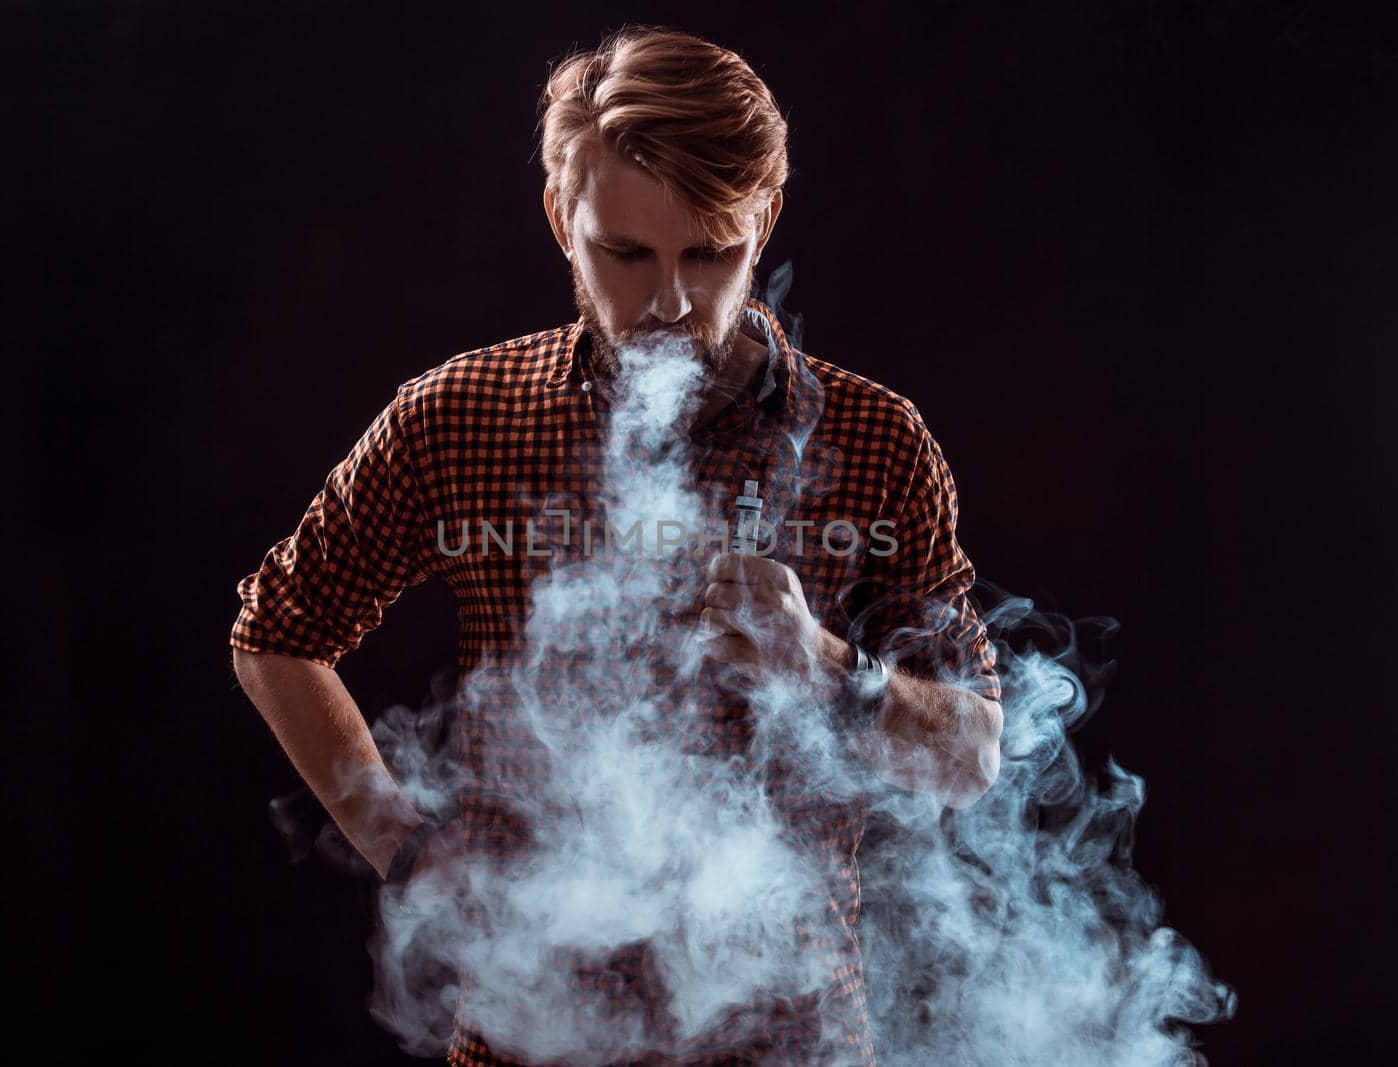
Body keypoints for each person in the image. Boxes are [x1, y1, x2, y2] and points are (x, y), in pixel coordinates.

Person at [230, 25, 1003, 1067]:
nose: (672, 301)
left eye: (712, 252)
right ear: (561, 218)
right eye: (626, 253)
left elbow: (970, 758)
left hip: (792, 1042)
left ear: (764, 220)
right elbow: (275, 631)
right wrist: (405, 847)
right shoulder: (460, 416)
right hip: (526, 1039)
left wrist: (824, 666)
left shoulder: (874, 439)